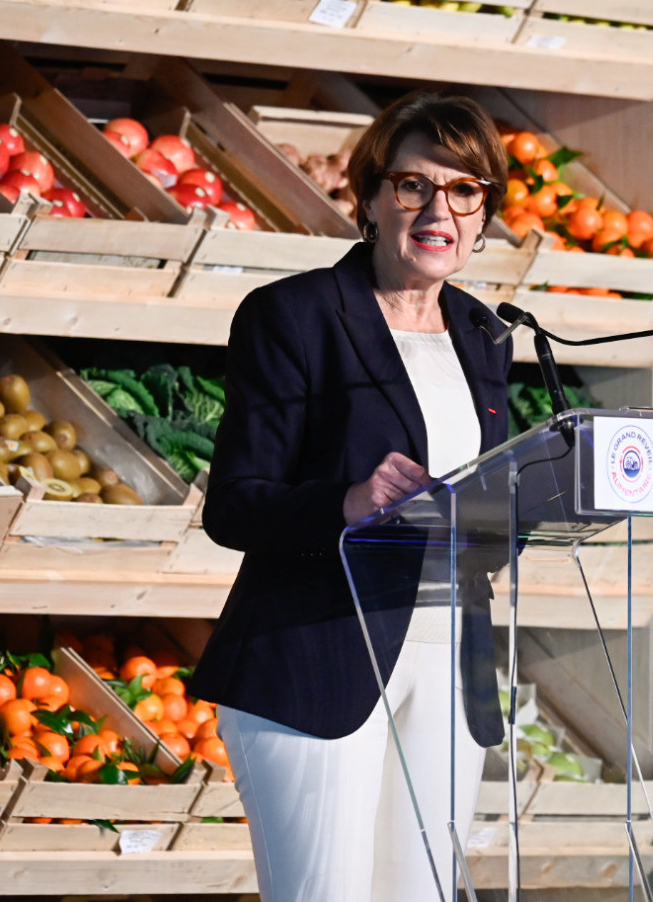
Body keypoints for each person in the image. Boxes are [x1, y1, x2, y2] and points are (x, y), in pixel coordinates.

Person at [188, 91, 513, 902]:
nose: (439, 209)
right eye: (414, 186)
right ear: (369, 197)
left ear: (483, 213)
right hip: (317, 659)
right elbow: (234, 505)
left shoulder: (485, 335)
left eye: (465, 190)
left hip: (449, 664)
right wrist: (347, 501)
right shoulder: (293, 316)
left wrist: (510, 513)